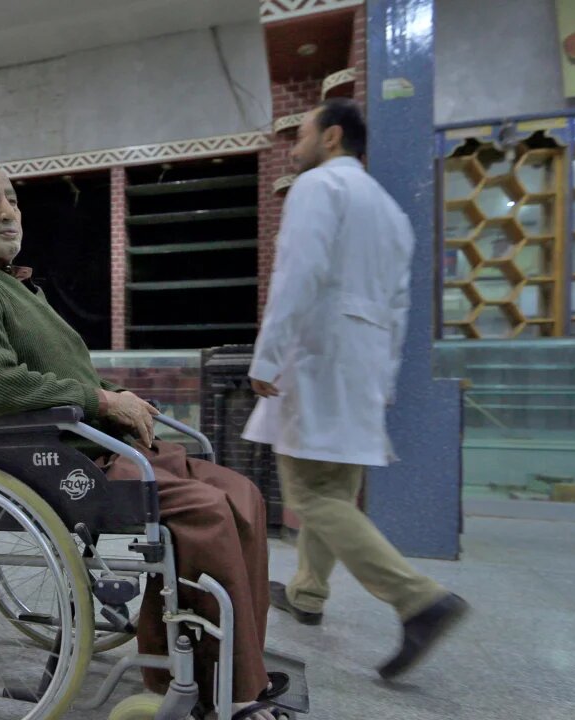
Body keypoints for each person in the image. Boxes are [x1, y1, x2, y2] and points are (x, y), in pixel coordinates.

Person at [0, 164, 279, 720]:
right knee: (206, 511)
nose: (8, 212)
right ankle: (222, 691)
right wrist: (106, 403)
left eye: (11, 201)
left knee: (242, 493)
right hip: (54, 456)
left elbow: (76, 378)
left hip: (93, 442)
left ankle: (240, 665)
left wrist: (121, 397)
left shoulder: (19, 289)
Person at [243, 98, 468, 680]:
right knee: (336, 484)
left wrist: (267, 356)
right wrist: (385, 380)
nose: (293, 147)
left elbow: (298, 273)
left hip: (319, 353)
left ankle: (418, 599)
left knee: (312, 491)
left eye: (302, 135)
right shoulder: (390, 211)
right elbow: (398, 309)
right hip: (362, 362)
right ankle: (309, 592)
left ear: (333, 138)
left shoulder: (319, 187)